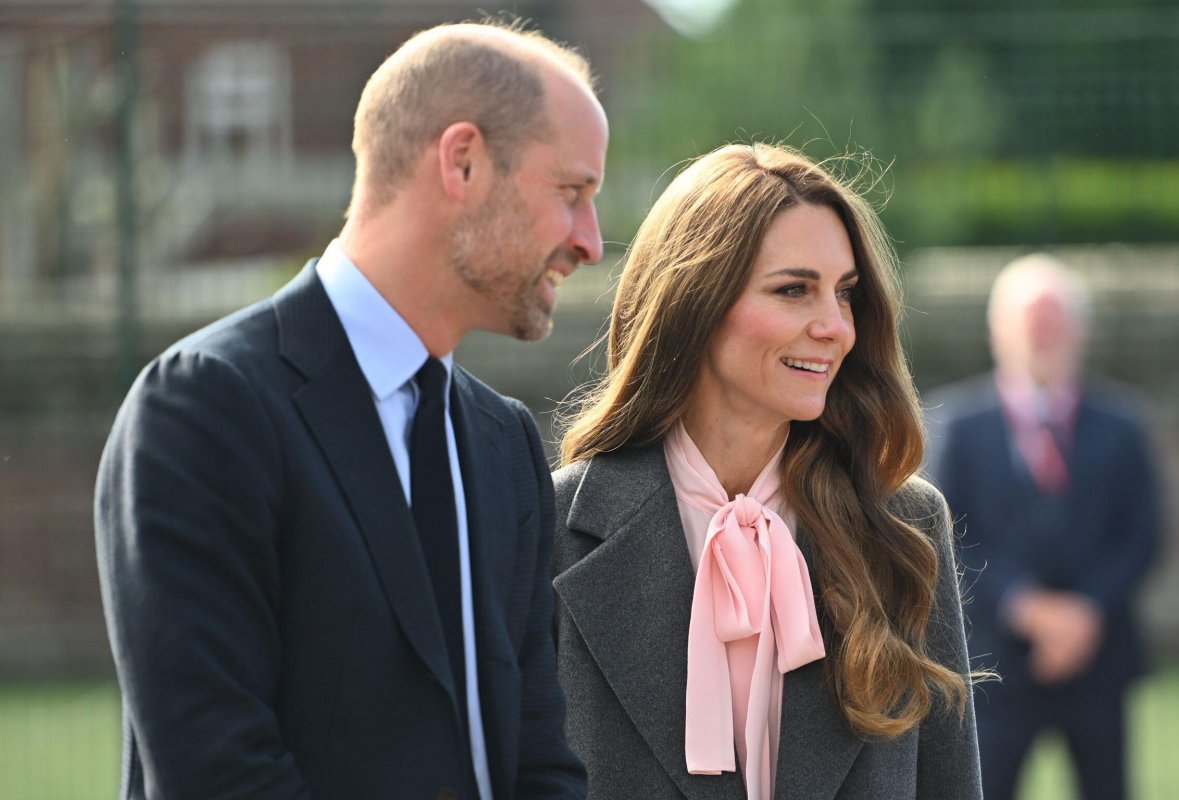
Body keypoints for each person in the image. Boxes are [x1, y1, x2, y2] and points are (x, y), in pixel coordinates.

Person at [94, 20, 606, 800]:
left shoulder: (503, 445)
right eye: (571, 194)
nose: (591, 241)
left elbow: (539, 762)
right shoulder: (203, 410)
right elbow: (219, 773)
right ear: (462, 161)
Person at [551, 142, 982, 800]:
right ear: (694, 301)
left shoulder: (905, 524)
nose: (836, 326)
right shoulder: (550, 526)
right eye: (794, 291)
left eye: (845, 295)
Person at [925, 253, 1161, 800]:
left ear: (1082, 330)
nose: (1042, 333)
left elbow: (1141, 534)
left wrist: (1084, 612)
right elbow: (945, 536)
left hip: (1099, 659)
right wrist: (1027, 608)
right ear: (996, 330)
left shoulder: (1123, 425)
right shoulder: (955, 426)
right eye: (1030, 320)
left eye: (1054, 320)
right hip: (993, 665)